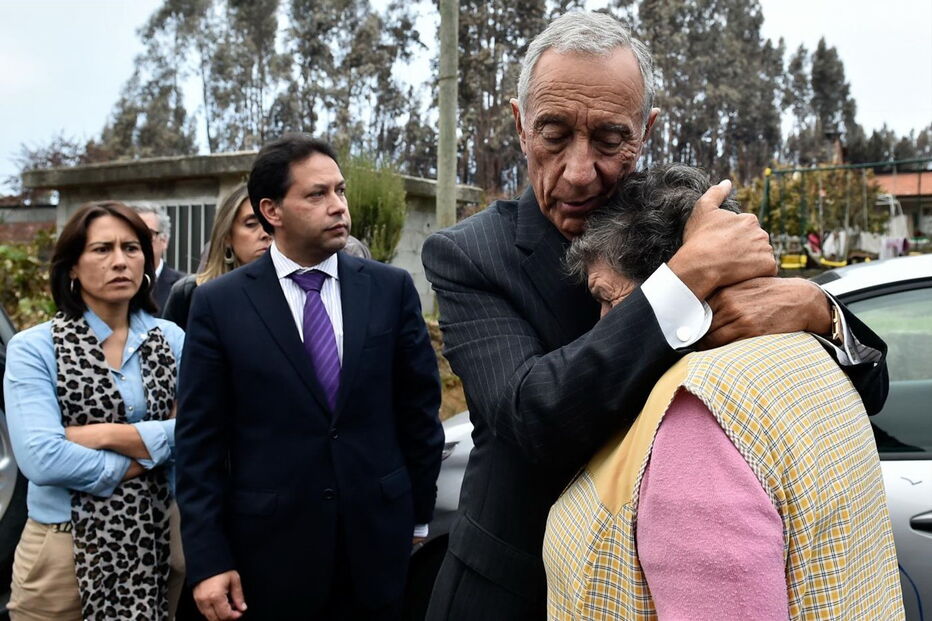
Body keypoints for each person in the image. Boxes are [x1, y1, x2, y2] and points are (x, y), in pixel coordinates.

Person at [421, 11, 888, 620]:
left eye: (609, 139)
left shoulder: (681, 219)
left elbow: (869, 385)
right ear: (519, 124)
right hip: (513, 592)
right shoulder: (470, 255)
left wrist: (818, 310)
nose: (579, 172)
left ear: (646, 130)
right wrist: (685, 280)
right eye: (553, 134)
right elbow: (533, 417)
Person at [545, 164, 904, 619]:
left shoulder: (697, 415)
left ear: (686, 284)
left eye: (606, 298)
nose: (601, 327)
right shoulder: (812, 349)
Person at [175, 134, 444, 620]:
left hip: (377, 546)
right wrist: (209, 558)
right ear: (271, 211)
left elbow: (419, 413)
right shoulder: (220, 304)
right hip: (268, 557)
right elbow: (200, 444)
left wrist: (416, 513)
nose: (338, 206)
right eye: (317, 194)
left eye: (340, 190)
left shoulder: (390, 289)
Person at [2, 201, 184, 620]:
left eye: (131, 248)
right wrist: (149, 455)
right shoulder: (35, 348)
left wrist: (103, 435)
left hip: (155, 540)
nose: (120, 261)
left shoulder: (172, 340)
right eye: (102, 249)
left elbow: (200, 430)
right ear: (72, 266)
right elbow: (42, 458)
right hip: (63, 549)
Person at [162, 184, 272, 330]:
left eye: (271, 223)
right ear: (227, 236)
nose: (266, 233)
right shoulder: (188, 292)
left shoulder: (294, 288)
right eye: (251, 224)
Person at [131, 203, 185, 311]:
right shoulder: (111, 284)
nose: (139, 241)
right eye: (133, 233)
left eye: (148, 234)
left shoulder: (184, 287)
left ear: (164, 241)